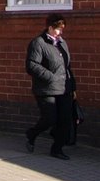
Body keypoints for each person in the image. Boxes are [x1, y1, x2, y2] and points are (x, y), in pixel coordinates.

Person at [25, 13, 76, 160]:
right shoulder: (38, 43)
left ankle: (57, 149)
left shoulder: (62, 43)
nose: (60, 32)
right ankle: (32, 133)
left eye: (62, 29)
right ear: (50, 27)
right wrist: (51, 77)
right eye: (58, 29)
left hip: (64, 88)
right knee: (50, 119)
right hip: (46, 89)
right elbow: (31, 66)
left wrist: (73, 88)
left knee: (65, 120)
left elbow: (68, 67)